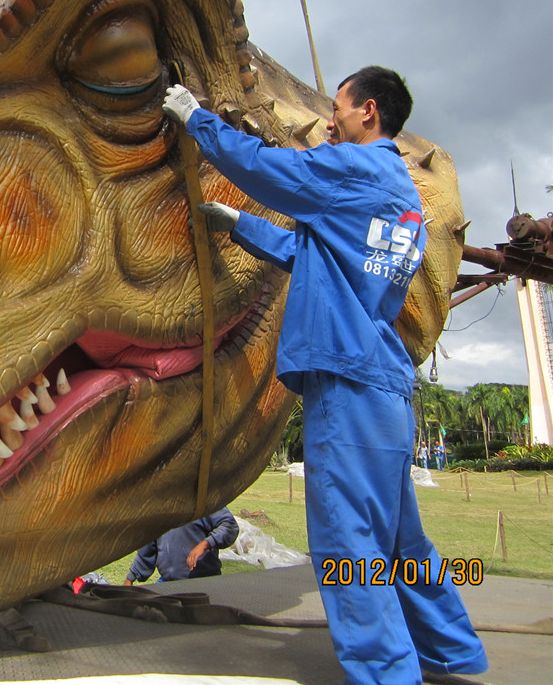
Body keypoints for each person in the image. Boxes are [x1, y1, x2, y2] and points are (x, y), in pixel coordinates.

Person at [162, 67, 487, 685]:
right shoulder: (399, 195)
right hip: (385, 388)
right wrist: (237, 224)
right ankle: (452, 651)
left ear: (368, 111)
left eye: (337, 108)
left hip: (347, 383)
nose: (330, 120)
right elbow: (312, 254)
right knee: (398, 543)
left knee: (349, 546)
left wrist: (196, 120)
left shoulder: (354, 170)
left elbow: (275, 173)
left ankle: (387, 674)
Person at [123, 507, 239, 584]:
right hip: (167, 583)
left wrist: (205, 544)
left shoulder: (203, 501)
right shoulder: (159, 506)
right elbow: (148, 546)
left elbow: (229, 526)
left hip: (203, 583)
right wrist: (130, 579)